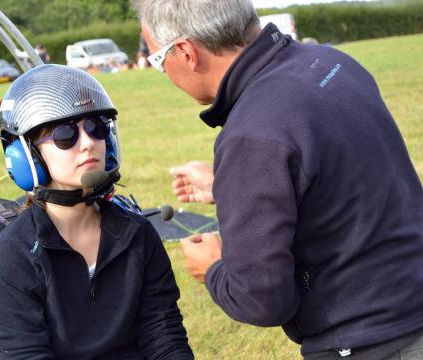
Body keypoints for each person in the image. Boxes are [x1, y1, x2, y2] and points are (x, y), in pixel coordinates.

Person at [133, 0, 423, 359]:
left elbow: (262, 298)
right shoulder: (333, 63)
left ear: (187, 53)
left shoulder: (252, 134)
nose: (164, 72)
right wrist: (232, 186)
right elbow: (339, 182)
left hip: (368, 338)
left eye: (158, 60)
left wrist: (213, 268)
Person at [0, 64, 193, 359]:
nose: (88, 144)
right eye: (65, 135)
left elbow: (163, 332)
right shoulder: (13, 256)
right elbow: (25, 353)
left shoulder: (136, 233)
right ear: (28, 155)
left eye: (96, 128)